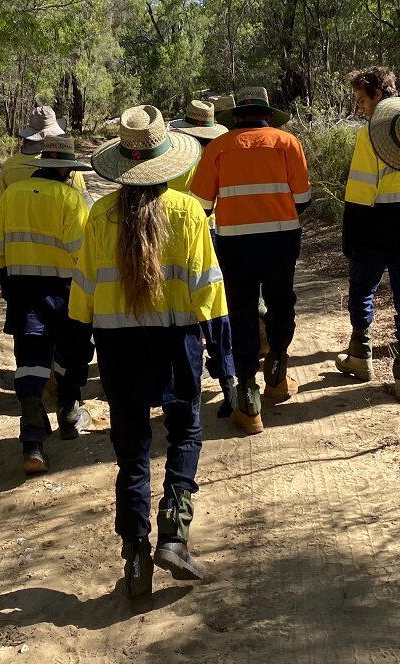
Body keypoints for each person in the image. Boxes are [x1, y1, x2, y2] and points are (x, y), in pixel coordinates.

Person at [69, 105, 235, 607]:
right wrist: (226, 370)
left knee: (132, 450)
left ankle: (135, 554)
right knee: (185, 430)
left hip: (117, 350)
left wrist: (74, 371)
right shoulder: (187, 212)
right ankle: (174, 532)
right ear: (166, 160)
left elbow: (82, 296)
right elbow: (212, 294)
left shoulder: (101, 214)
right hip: (174, 346)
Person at [190, 86, 312, 435]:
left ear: (237, 116)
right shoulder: (288, 143)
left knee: (241, 311)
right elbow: (302, 198)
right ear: (267, 115)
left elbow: (202, 205)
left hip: (235, 244)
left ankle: (248, 398)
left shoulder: (217, 147)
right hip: (281, 239)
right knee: (280, 300)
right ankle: (277, 372)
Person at [0, 134, 94, 474]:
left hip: (22, 290)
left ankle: (32, 439)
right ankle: (69, 414)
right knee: (71, 353)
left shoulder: (12, 196)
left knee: (31, 360)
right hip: (65, 291)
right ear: (65, 170)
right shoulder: (71, 199)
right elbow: (83, 254)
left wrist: (9, 288)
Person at [336, 67, 400, 401]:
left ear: (378, 94)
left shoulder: (370, 135)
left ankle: (360, 357)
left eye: (362, 100)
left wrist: (349, 236)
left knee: (362, 288)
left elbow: (359, 193)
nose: (361, 107)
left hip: (373, 229)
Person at [0, 105, 91, 203]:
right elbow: (84, 204)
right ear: (55, 134)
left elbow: (1, 205)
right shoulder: (63, 166)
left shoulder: (9, 166)